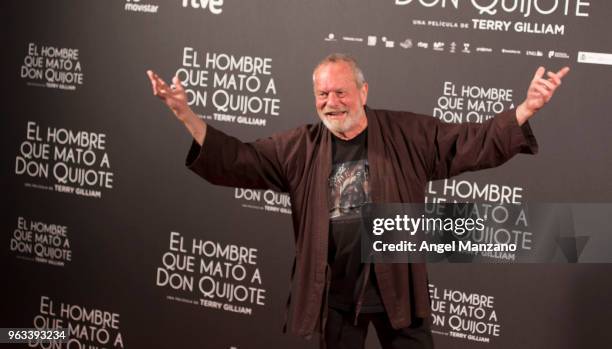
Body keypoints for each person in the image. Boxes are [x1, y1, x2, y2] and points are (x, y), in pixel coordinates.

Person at [146, 54, 569, 349]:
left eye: (341, 93)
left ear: (363, 91)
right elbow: (240, 159)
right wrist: (187, 115)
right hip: (334, 294)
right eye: (323, 95)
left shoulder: (408, 133)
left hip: (399, 290)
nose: (332, 103)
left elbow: (468, 143)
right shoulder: (299, 146)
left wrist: (525, 109)